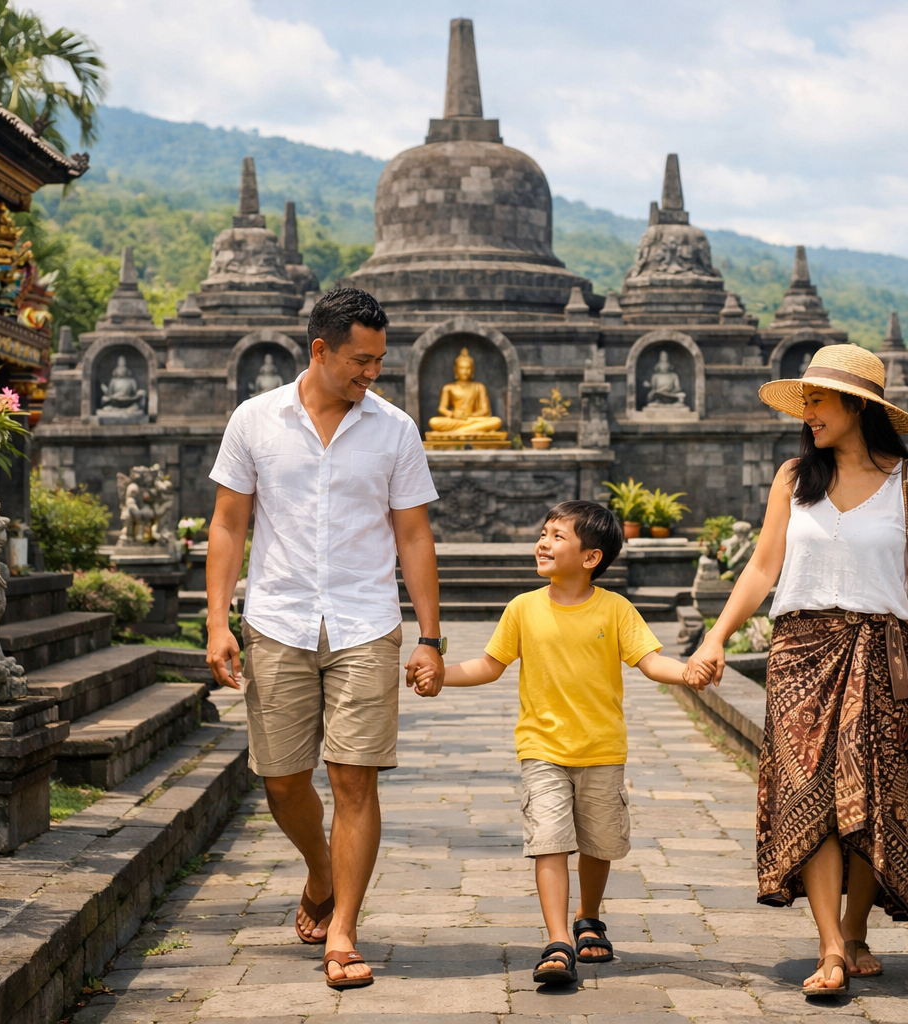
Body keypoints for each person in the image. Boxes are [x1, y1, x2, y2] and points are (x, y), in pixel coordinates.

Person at [685, 344, 908, 998]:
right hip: (799, 651)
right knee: (809, 794)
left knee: (868, 799)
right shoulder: (792, 478)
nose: (807, 413)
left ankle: (857, 925)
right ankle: (831, 946)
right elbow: (760, 567)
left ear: (858, 405)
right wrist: (716, 637)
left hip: (881, 650)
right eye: (804, 400)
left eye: (818, 399)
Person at [205, 286, 446, 991]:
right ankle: (319, 869)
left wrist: (429, 635)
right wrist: (218, 622)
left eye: (379, 361)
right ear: (320, 349)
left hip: (366, 621)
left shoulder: (395, 429)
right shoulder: (256, 421)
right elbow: (228, 524)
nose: (372, 373)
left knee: (354, 777)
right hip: (276, 619)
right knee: (281, 780)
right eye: (360, 361)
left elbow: (413, 535)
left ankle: (343, 928)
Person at [418, 501, 707, 987]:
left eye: (557, 536)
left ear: (590, 557)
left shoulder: (616, 609)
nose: (543, 542)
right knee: (549, 842)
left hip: (602, 750)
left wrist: (689, 672)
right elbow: (491, 665)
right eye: (543, 532)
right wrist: (443, 675)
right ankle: (558, 941)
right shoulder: (523, 608)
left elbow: (651, 662)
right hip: (542, 749)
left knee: (599, 844)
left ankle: (587, 918)